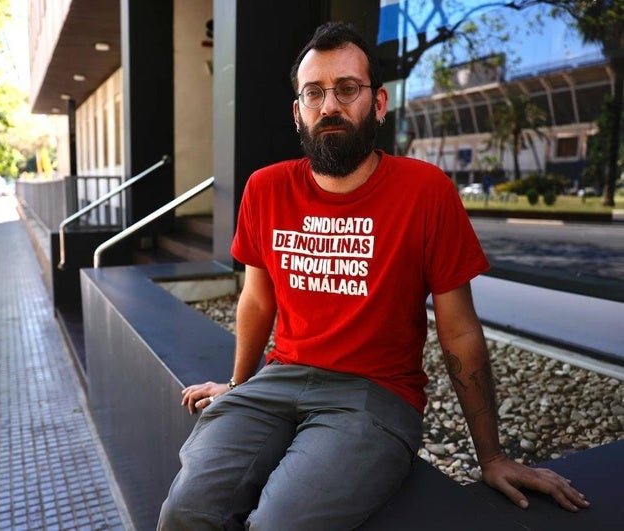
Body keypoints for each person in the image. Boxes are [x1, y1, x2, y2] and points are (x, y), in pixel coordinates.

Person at [157, 21, 589, 530]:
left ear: (378, 104)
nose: (329, 106)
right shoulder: (265, 188)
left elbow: (460, 329)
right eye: (314, 93)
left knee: (280, 525)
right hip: (278, 380)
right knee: (184, 511)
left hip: (374, 397)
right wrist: (237, 383)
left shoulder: (425, 192)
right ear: (298, 112)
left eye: (347, 89)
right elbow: (257, 299)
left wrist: (490, 457)